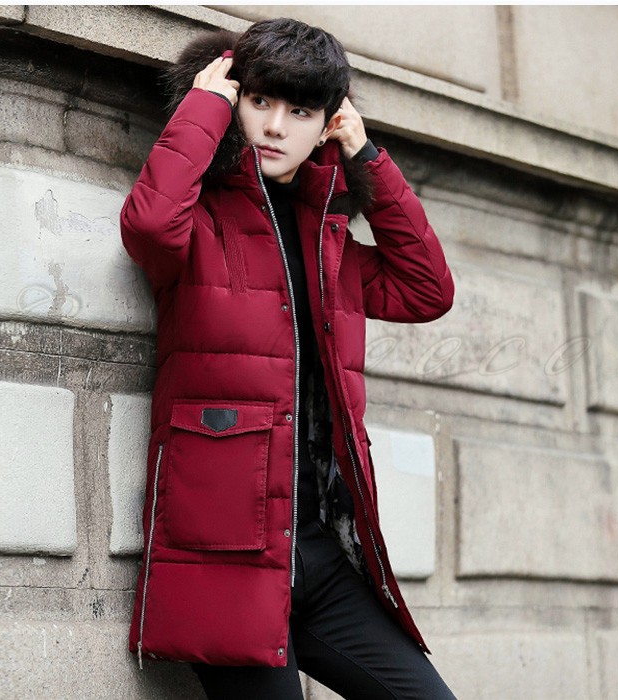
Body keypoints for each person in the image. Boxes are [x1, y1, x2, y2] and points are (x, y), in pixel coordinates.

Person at [120, 16, 456, 700]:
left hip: (320, 558)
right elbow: (150, 223)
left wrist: (366, 156)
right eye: (259, 101)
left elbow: (427, 289)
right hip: (226, 560)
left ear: (327, 124)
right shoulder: (199, 225)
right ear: (234, 101)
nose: (275, 127)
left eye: (300, 112)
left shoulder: (330, 244)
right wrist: (204, 107)